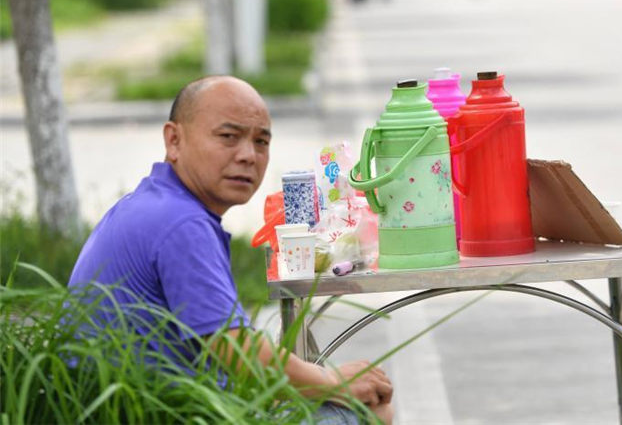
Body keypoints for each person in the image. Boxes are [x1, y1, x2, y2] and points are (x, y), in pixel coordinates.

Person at [68, 76, 393, 424]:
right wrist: (333, 382)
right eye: (228, 137)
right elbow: (239, 351)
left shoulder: (156, 203)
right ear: (173, 140)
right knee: (371, 410)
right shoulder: (182, 224)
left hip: (143, 404)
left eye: (261, 141)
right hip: (151, 413)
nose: (248, 156)